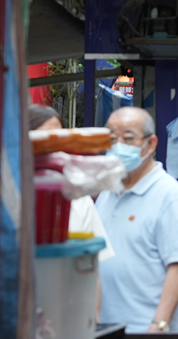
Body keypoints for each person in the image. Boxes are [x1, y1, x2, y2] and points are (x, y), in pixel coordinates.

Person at [95, 106, 178, 334]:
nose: (118, 146)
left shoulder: (170, 195)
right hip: (106, 335)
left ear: (150, 144)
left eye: (128, 138)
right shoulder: (106, 193)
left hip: (147, 336)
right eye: (112, 138)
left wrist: (159, 326)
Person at [28, 104, 116, 302]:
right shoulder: (5, 193)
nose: (51, 150)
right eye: (42, 139)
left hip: (66, 310)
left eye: (58, 140)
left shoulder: (78, 198)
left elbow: (93, 274)